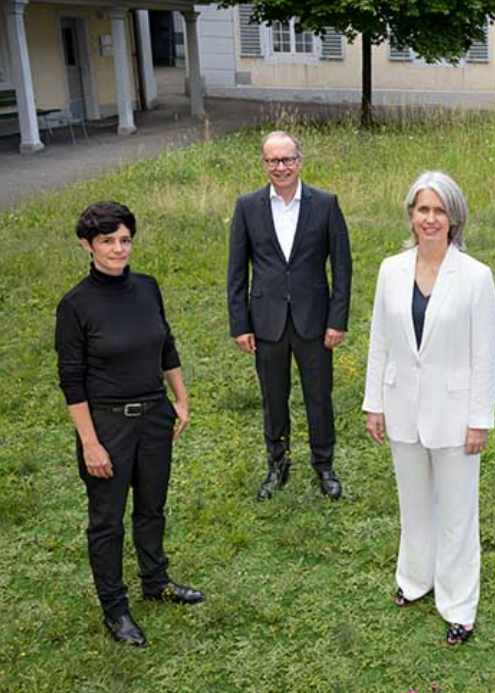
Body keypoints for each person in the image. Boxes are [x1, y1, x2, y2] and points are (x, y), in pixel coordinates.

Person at [56, 202, 204, 647]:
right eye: (107, 241)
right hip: (107, 426)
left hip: (155, 418)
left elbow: (166, 345)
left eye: (125, 240)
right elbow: (71, 379)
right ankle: (115, 609)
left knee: (152, 506)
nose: (118, 249)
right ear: (87, 245)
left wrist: (180, 398)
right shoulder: (76, 305)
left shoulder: (147, 287)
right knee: (107, 522)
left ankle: (155, 581)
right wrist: (90, 443)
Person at [363, 172, 495, 646]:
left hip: (456, 414)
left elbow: (486, 355)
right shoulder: (389, 269)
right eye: (423, 209)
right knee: (414, 504)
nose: (431, 219)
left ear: (454, 218)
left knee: (459, 514)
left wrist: (480, 419)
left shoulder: (476, 277)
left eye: (440, 210)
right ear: (410, 215)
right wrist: (373, 403)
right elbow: (380, 340)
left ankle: (459, 604)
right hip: (402, 408)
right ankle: (415, 579)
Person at [227, 130, 353, 501]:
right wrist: (240, 324)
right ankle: (277, 465)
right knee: (274, 398)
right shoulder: (248, 207)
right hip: (266, 322)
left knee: (319, 396)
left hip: (314, 321)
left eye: (287, 159)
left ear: (300, 161)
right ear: (263, 164)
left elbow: (342, 268)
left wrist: (337, 320)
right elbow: (237, 271)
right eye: (272, 161)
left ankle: (324, 465)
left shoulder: (325, 204)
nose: (280, 167)